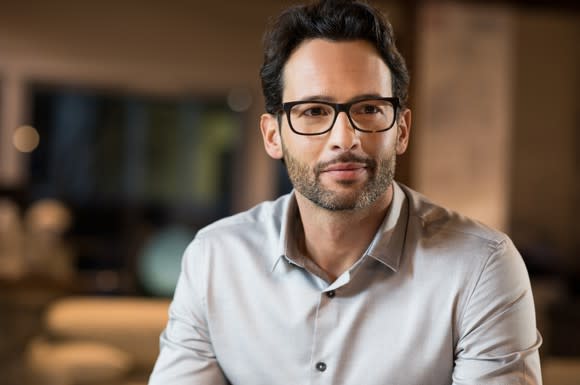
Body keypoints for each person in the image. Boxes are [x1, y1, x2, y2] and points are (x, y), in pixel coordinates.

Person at [148, 0, 542, 384]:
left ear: (400, 130)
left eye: (369, 109)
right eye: (314, 111)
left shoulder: (481, 267)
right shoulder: (214, 259)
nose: (344, 138)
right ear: (273, 136)